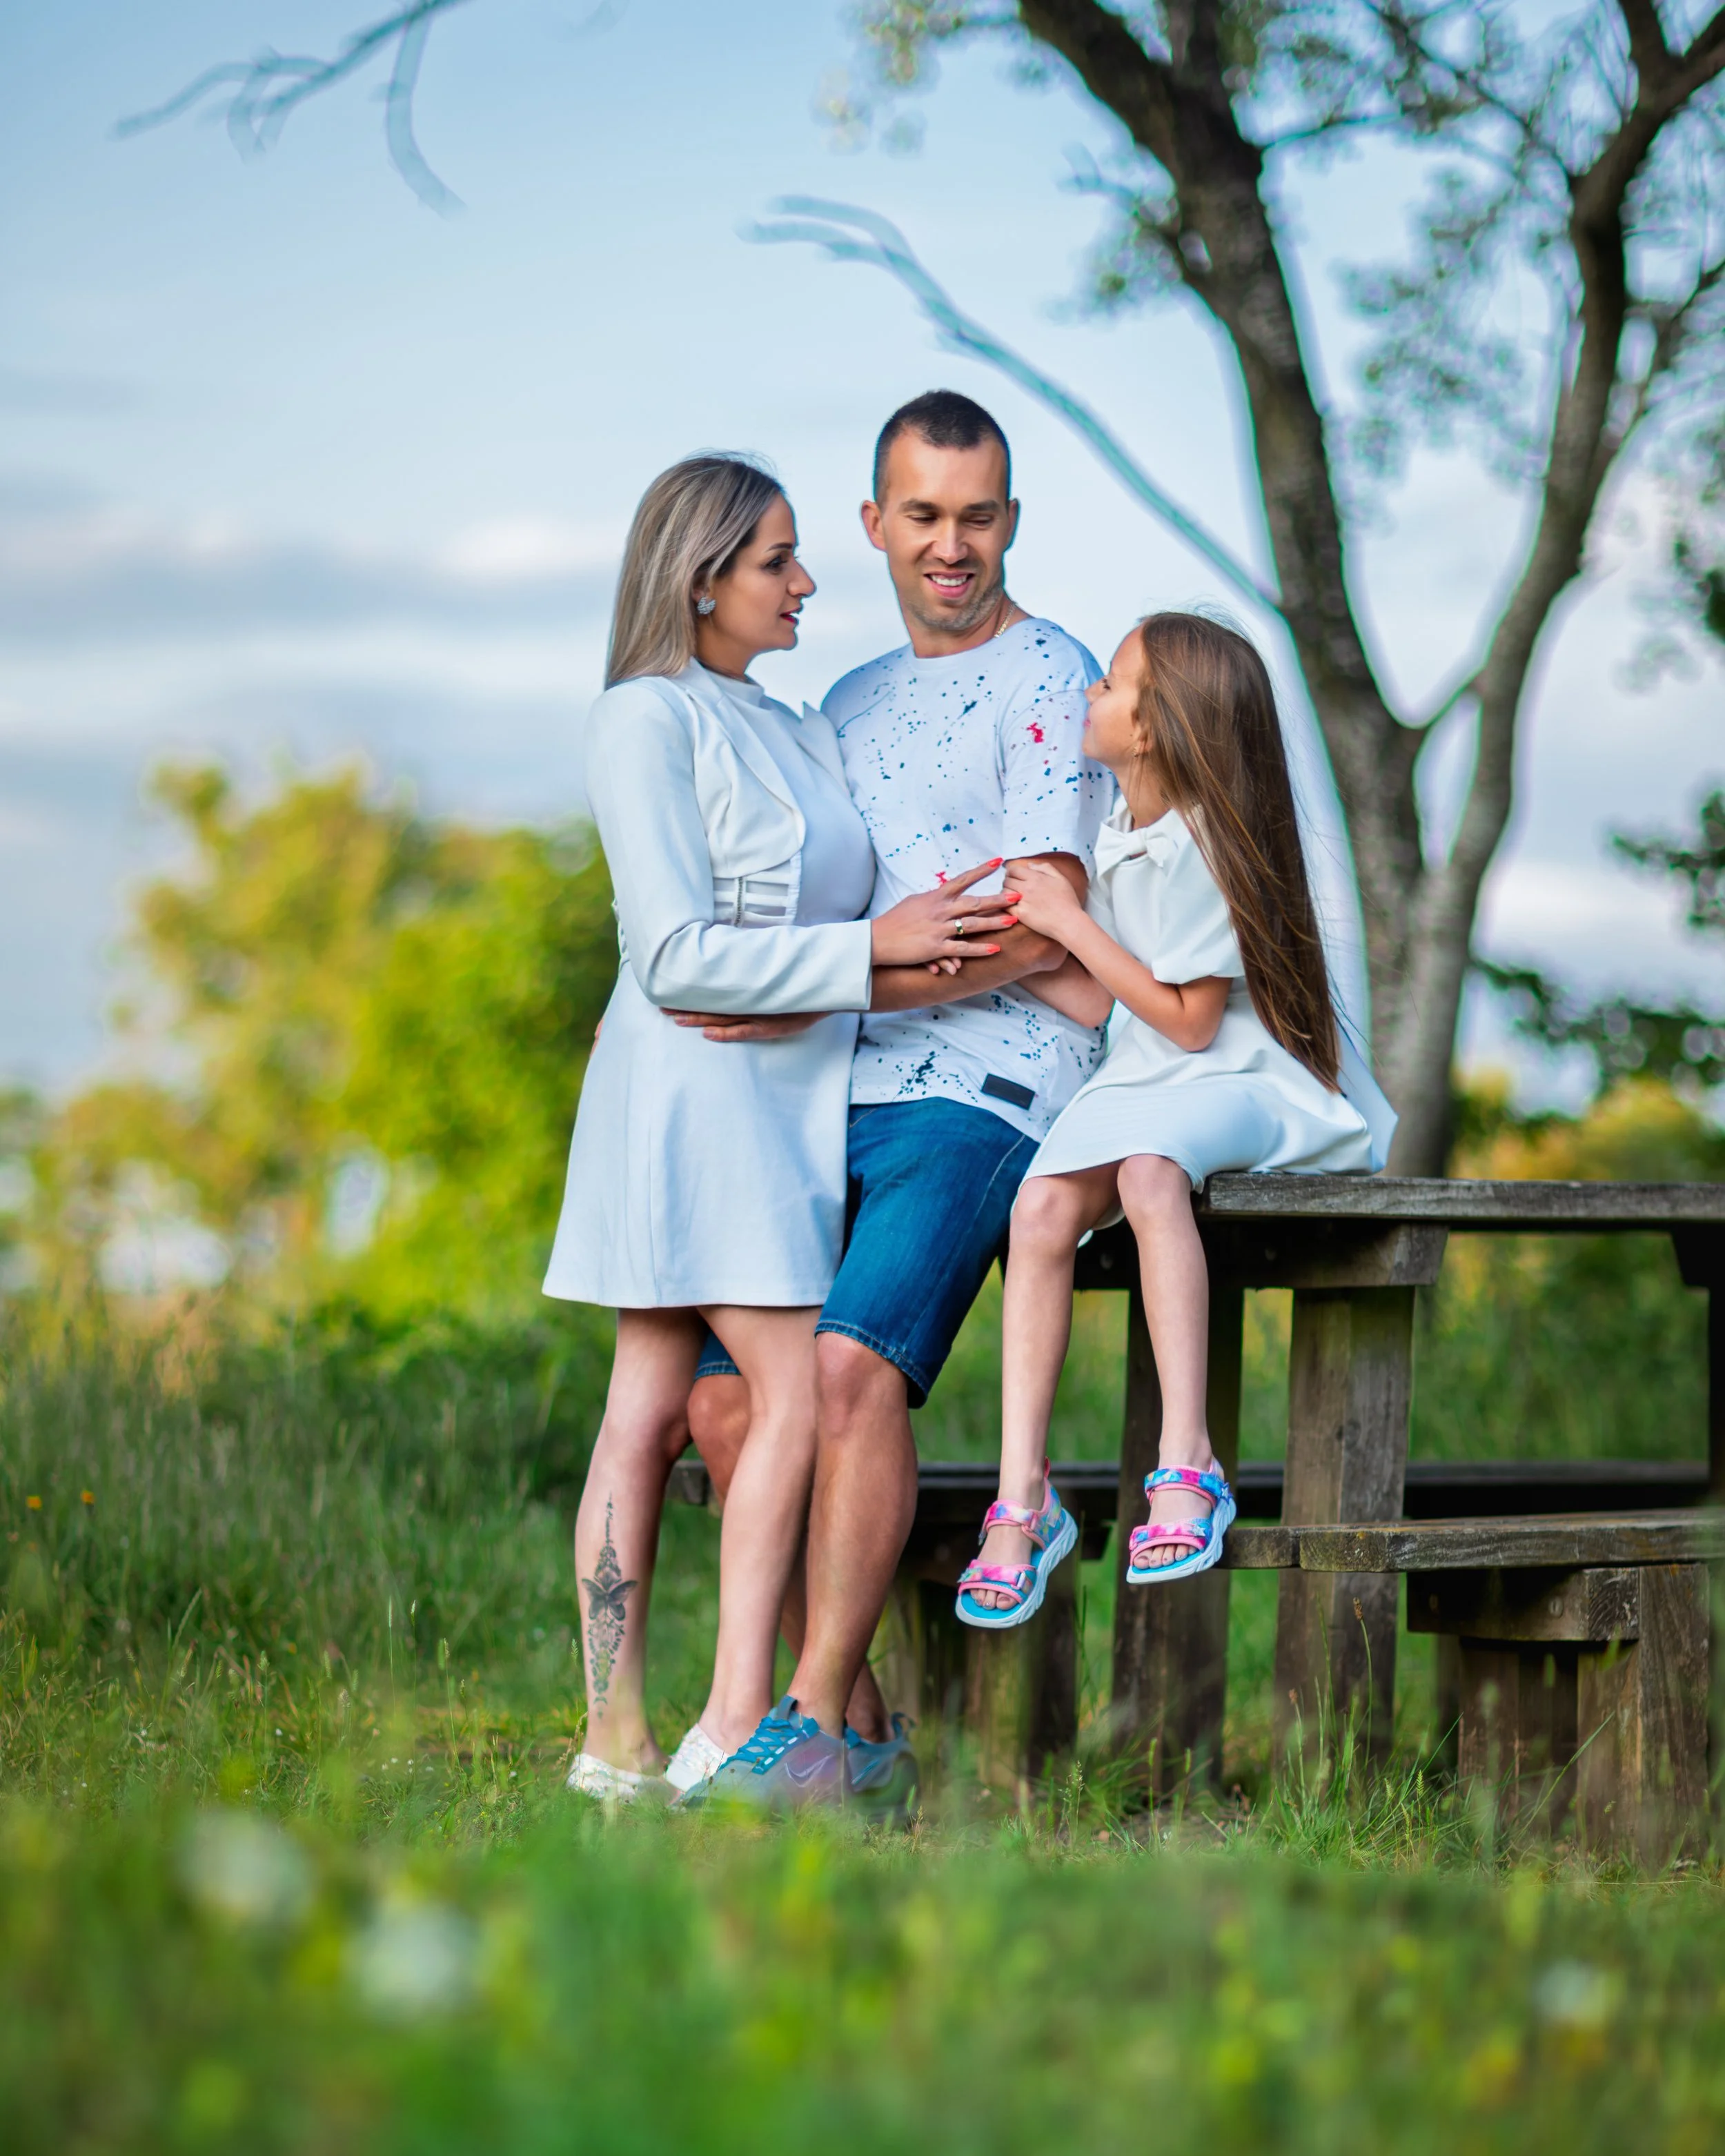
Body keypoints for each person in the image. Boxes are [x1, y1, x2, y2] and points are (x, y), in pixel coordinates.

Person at [546, 452, 1018, 1800]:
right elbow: (676, 954)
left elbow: (832, 913)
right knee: (764, 1398)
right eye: (774, 560)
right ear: (699, 579)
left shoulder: (794, 722)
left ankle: (626, 1744)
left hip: (784, 1099)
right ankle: (708, 1717)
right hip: (687, 1101)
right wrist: (862, 955)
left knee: (655, 1400)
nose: (806, 580)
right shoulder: (643, 718)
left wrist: (901, 955)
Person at [689, 390, 1114, 1810]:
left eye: (977, 515)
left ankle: (801, 1721)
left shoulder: (1051, 674)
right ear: (874, 524)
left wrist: (835, 981)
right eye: (921, 516)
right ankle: (858, 1733)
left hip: (991, 1086)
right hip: (836, 1082)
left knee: (843, 1371)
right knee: (724, 1412)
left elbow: (1045, 926)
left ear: (1009, 521)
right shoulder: (842, 704)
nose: (951, 544)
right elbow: (833, 907)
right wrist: (828, 980)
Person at [954, 611, 1395, 1626]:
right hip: (1144, 1072)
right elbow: (1102, 997)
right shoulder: (1120, 825)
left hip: (1235, 1072)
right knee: (1037, 1214)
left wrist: (1068, 924)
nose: (1089, 699)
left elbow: (1193, 1021)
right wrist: (991, 938)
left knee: (1152, 1173)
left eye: (1109, 686)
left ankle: (1186, 1462)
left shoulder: (1202, 841)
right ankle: (1022, 1498)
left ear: (1152, 728)